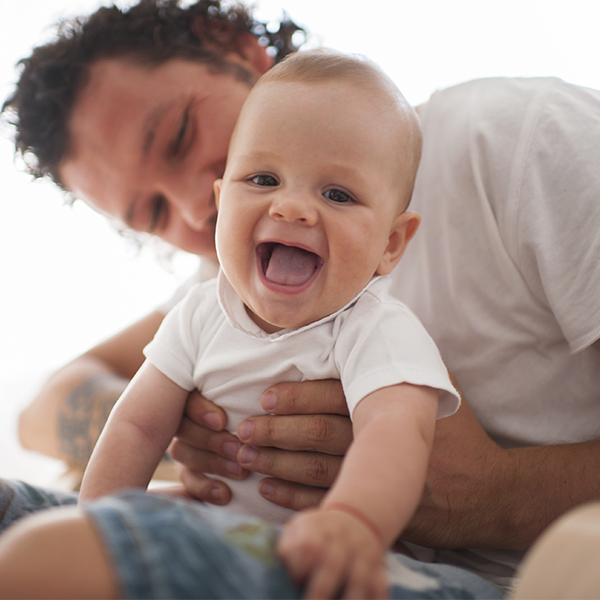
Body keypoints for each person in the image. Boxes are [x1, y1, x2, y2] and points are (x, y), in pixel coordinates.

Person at [2, 0, 599, 592]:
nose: (193, 208)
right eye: (153, 212)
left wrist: (495, 492)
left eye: (180, 135)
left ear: (234, 46)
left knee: (56, 559)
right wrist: (190, 437)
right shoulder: (219, 293)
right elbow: (51, 405)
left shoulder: (520, 140)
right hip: (232, 532)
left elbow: (395, 427)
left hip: (418, 572)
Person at [77, 48, 460, 598]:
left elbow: (397, 433)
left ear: (391, 244)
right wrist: (95, 523)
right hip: (220, 537)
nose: (292, 208)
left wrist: (354, 522)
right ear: (222, 199)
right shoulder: (200, 313)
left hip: (327, 563)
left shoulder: (374, 330)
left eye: (337, 194)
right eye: (262, 179)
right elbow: (137, 427)